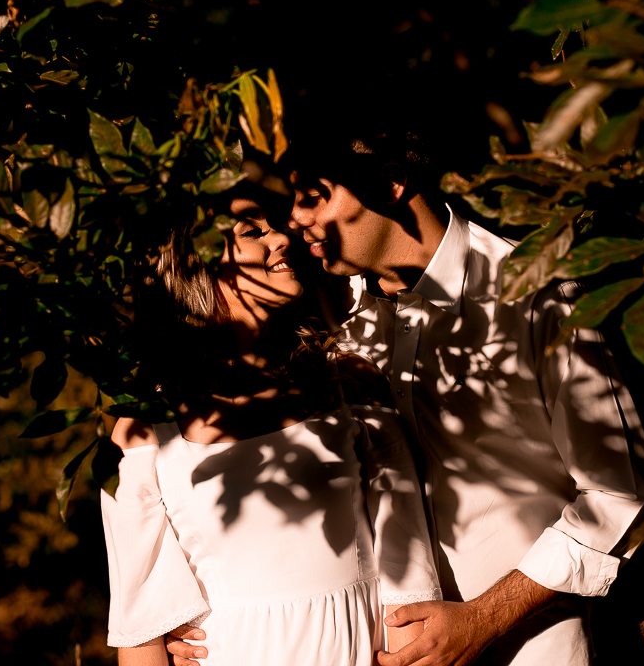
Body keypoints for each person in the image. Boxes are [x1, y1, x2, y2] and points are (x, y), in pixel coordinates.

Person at [166, 134, 644, 666]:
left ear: (390, 184)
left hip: (524, 649)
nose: (295, 221)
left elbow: (617, 497)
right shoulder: (333, 312)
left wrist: (481, 619)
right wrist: (202, 616)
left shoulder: (534, 297)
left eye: (314, 199)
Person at [101, 190, 444, 666]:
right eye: (253, 232)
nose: (282, 238)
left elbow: (409, 584)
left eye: (273, 226)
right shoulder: (144, 432)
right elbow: (141, 630)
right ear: (195, 265)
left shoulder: (347, 383)